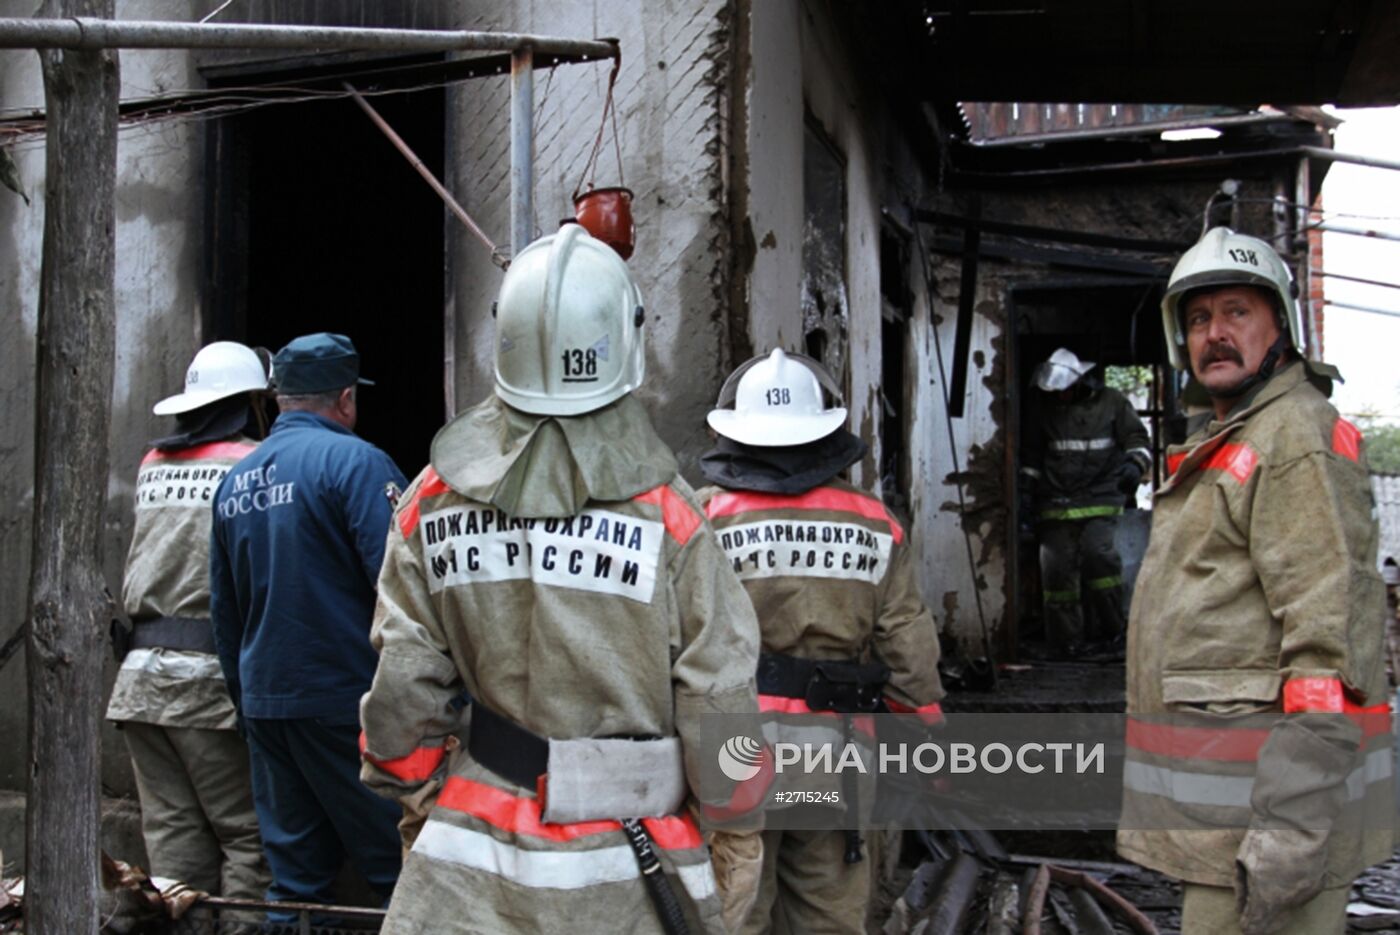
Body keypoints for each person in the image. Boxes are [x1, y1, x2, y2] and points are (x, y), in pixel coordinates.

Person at [359, 224, 765, 935]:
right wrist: (736, 837)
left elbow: (403, 689)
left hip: (467, 865)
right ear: (626, 341)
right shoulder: (669, 515)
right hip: (633, 872)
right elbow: (718, 697)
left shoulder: (430, 500)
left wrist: (421, 802)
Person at [1117, 227, 1392, 934]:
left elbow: (1331, 648)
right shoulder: (1237, 436)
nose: (1216, 333)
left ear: (1280, 326)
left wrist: (1291, 830)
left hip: (1266, 825)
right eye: (1200, 318)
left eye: (1237, 311)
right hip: (1230, 820)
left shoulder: (1293, 437)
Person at [698, 348, 945, 934]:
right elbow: (906, 651)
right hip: (831, 752)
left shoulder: (701, 519)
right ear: (824, 431)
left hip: (730, 749)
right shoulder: (875, 523)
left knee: (736, 910)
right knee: (826, 914)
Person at [209, 332, 406, 919]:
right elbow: (402, 591)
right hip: (344, 702)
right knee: (401, 871)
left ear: (281, 400)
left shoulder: (234, 482)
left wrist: (248, 706)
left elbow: (226, 612)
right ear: (345, 399)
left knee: (294, 884)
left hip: (269, 704)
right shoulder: (359, 463)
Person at [106, 341, 270, 900]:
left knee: (174, 843)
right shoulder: (250, 464)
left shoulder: (153, 465)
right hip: (204, 687)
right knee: (250, 839)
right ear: (251, 401)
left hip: (139, 682)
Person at [1020, 347, 1150, 657]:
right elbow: (1033, 456)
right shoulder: (1044, 407)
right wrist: (1025, 491)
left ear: (1080, 382)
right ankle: (1066, 643)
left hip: (1100, 497)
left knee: (1099, 558)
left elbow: (1137, 440)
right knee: (1056, 572)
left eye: (1064, 391)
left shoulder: (1112, 403)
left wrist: (1134, 465)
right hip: (1054, 503)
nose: (1060, 397)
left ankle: (1114, 635)